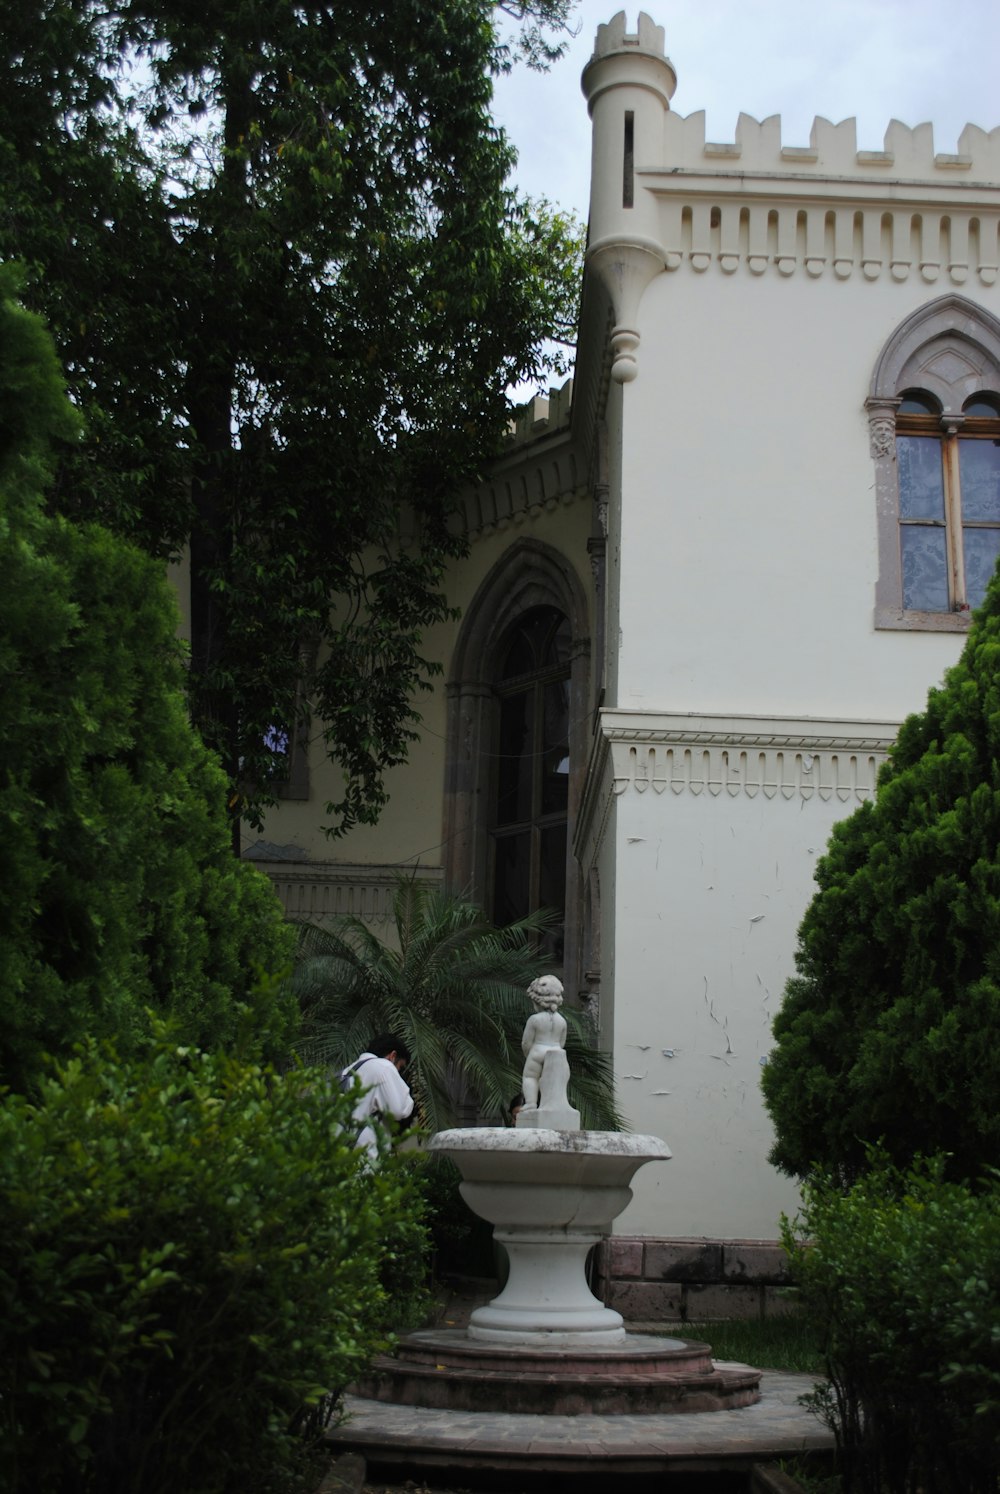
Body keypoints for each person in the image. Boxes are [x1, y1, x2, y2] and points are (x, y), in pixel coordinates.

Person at [341, 1032, 414, 1162]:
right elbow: (398, 1110)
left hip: (341, 1152)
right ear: (393, 1056)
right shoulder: (384, 1066)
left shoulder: (348, 1071)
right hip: (364, 1157)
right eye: (400, 1067)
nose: (398, 1073)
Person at [519, 975, 566, 1111]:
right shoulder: (562, 1021)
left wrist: (529, 1054)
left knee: (530, 1077)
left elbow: (526, 1042)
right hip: (557, 1053)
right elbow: (562, 1042)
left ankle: (531, 1103)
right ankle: (555, 1104)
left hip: (537, 1051)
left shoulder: (534, 1019)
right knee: (557, 1081)